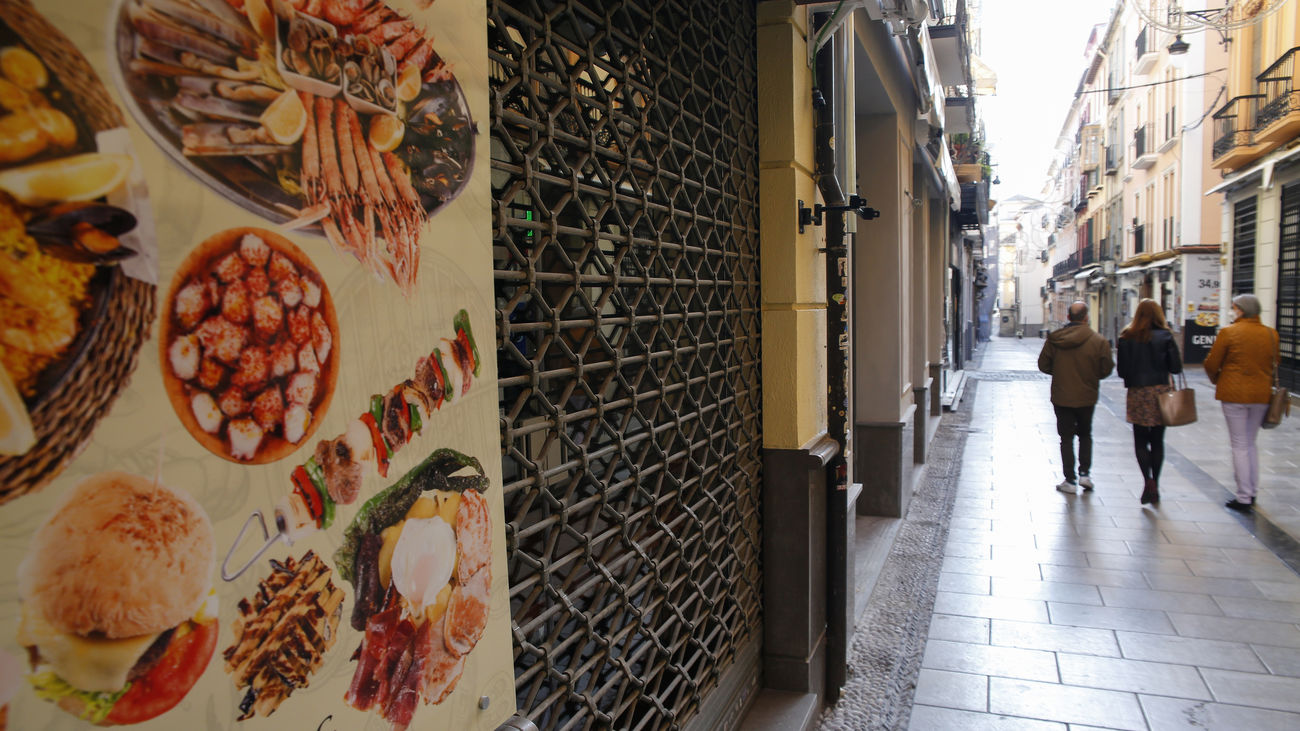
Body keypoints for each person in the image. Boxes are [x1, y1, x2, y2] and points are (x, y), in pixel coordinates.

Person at [1203, 293, 1280, 512]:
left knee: (1239, 444)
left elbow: (1212, 363)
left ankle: (1244, 496)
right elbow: (1275, 362)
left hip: (1234, 395)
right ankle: (1252, 491)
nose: (1232, 310)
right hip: (1261, 395)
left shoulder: (1229, 332)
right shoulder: (1270, 334)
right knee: (1250, 443)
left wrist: (1219, 379)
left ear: (1240, 310)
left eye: (1234, 307)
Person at [1038, 301, 1114, 494]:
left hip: (1062, 396)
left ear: (1068, 317)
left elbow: (1043, 365)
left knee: (1066, 438)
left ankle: (1070, 480)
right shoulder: (1098, 341)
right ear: (1086, 317)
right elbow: (1106, 369)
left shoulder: (1055, 339)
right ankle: (1085, 474)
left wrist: (1061, 372)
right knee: (1085, 435)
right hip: (1087, 396)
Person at [1116, 299, 1183, 505]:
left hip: (1138, 393)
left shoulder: (1127, 337)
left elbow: (1121, 371)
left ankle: (1147, 481)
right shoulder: (1166, 336)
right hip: (1160, 392)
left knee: (1140, 441)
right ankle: (1156, 483)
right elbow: (1176, 368)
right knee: (1157, 441)